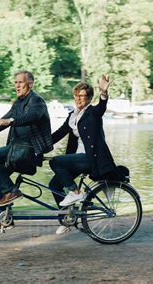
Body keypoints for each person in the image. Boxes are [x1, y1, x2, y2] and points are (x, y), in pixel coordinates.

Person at [0, 70, 53, 233]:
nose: (17, 85)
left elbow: (32, 117)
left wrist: (12, 120)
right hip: (17, 150)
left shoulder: (37, 101)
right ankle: (6, 218)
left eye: (20, 82)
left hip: (29, 150)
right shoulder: (18, 104)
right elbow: (1, 123)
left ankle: (12, 191)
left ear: (30, 83)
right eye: (15, 83)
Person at [49, 75, 116, 234]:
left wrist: (104, 93)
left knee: (56, 161)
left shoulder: (92, 112)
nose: (78, 99)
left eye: (82, 96)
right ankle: (67, 220)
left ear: (89, 98)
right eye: (76, 95)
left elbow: (102, 107)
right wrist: (38, 146)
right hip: (77, 159)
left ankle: (76, 192)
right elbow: (58, 134)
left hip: (90, 158)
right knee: (55, 185)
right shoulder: (72, 115)